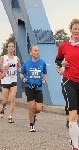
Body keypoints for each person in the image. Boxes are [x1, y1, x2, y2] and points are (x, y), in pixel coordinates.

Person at [55, 19, 79, 150]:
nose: (77, 31)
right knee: (73, 113)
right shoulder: (63, 46)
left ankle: (73, 138)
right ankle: (75, 146)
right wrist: (61, 64)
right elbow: (57, 59)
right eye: (75, 28)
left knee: (78, 117)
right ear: (71, 30)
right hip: (68, 80)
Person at [20, 45, 47, 132]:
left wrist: (44, 79)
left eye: (38, 51)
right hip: (29, 87)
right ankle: (32, 125)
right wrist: (23, 78)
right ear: (30, 52)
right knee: (31, 107)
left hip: (39, 87)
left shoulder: (42, 62)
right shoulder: (27, 63)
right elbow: (21, 73)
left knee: (38, 108)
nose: (37, 52)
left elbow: (45, 73)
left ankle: (33, 115)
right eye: (35, 51)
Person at [0, 42, 21, 123]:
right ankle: (3, 107)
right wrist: (3, 67)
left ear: (14, 48)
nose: (11, 48)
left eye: (12, 46)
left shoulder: (17, 59)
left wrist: (22, 71)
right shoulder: (3, 58)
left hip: (13, 80)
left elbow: (19, 67)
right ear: (7, 48)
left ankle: (10, 116)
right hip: (5, 80)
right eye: (10, 46)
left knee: (12, 98)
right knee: (5, 100)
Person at [56, 63, 69, 129]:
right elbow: (57, 67)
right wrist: (60, 71)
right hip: (64, 82)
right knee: (68, 100)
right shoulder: (63, 57)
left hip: (75, 81)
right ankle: (68, 119)